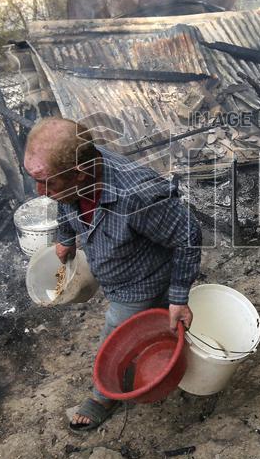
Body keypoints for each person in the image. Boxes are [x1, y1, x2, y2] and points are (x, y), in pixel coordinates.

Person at [23, 117, 202, 431]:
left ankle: (103, 396)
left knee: (117, 330)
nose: (40, 191)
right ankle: (161, 324)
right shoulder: (72, 176)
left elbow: (188, 235)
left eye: (46, 181)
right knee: (154, 320)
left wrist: (179, 297)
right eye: (35, 179)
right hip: (116, 267)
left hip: (140, 282)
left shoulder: (138, 195)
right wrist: (65, 239)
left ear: (79, 174)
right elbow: (65, 204)